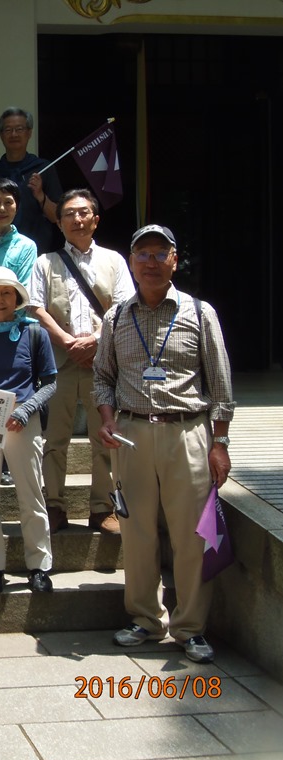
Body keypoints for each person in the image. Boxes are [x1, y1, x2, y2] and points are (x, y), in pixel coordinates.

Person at [93, 224, 234, 664]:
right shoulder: (116, 316)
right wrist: (107, 418)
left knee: (192, 536)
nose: (150, 263)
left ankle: (190, 627)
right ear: (131, 263)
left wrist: (220, 442)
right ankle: (145, 619)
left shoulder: (198, 311)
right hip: (131, 434)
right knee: (136, 533)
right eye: (142, 255)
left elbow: (221, 382)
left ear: (175, 260)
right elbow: (102, 377)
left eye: (160, 254)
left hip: (187, 432)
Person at [27, 189, 134, 535]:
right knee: (54, 438)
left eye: (83, 212)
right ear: (59, 223)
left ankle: (102, 508)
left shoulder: (114, 261)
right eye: (69, 214)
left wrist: (95, 342)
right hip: (59, 361)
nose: (77, 219)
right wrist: (67, 342)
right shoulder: (45, 263)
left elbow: (122, 308)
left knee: (104, 437)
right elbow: (35, 308)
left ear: (95, 219)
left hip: (101, 363)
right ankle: (55, 506)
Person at [0, 267, 58, 594]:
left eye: (6, 293)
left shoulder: (34, 334)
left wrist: (29, 409)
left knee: (31, 494)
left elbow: (49, 382)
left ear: (17, 298)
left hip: (23, 420)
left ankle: (39, 566)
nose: (0, 299)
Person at [0, 107, 62, 253]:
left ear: (29, 133)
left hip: (38, 252)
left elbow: (57, 218)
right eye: (8, 130)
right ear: (1, 135)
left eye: (19, 129)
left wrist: (40, 196)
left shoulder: (44, 169)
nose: (14, 134)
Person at [0, 178, 38, 288]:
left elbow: (24, 290)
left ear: (17, 208)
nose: (2, 209)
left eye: (8, 202)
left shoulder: (26, 247)